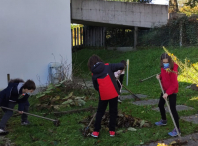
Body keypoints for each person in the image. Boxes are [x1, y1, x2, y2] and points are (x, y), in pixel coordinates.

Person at [87, 54, 124, 138]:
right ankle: (112, 131)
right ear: (99, 60)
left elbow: (96, 87)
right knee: (113, 112)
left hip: (103, 95)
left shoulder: (94, 74)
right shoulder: (108, 66)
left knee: (100, 112)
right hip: (113, 93)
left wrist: (102, 90)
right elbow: (121, 65)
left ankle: (96, 131)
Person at [155, 53, 180, 137]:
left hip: (172, 91)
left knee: (172, 109)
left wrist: (167, 93)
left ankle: (177, 129)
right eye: (164, 62)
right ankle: (164, 120)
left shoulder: (173, 69)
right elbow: (164, 76)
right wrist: (160, 77)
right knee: (160, 105)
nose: (165, 63)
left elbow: (174, 84)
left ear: (170, 60)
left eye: (167, 62)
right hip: (165, 90)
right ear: (162, 61)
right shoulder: (163, 67)